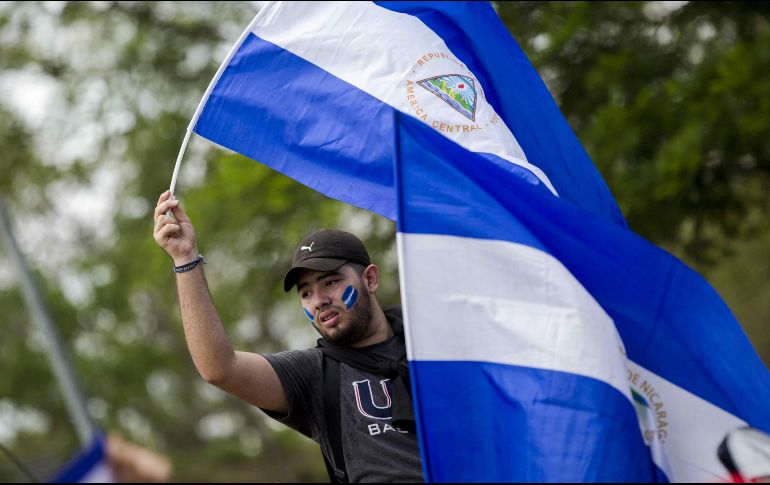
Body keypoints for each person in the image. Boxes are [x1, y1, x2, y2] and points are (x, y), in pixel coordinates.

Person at [152, 191, 423, 483]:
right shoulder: (314, 374)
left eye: (330, 282)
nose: (318, 300)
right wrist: (185, 258)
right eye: (305, 293)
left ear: (370, 279)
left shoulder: (433, 341)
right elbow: (220, 368)